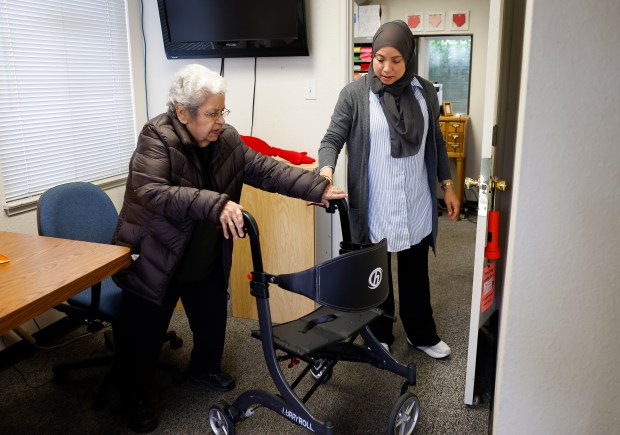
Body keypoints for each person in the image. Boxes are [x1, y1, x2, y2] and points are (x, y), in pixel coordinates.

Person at [111, 63, 346, 433]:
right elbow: (151, 192)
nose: (220, 120)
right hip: (159, 250)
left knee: (209, 313)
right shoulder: (156, 137)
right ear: (183, 112)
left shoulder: (228, 140)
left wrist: (315, 187)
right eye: (212, 113)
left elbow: (267, 171)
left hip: (201, 248)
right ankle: (132, 396)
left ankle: (203, 368)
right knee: (143, 331)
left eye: (223, 110)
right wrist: (215, 203)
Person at [318, 20, 459, 361]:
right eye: (380, 58)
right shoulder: (354, 94)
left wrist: (448, 185)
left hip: (415, 198)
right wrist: (325, 173)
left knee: (415, 271)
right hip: (376, 200)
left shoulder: (425, 91)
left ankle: (420, 333)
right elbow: (332, 139)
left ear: (408, 58)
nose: (387, 68)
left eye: (396, 60)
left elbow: (436, 143)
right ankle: (380, 333)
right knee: (376, 273)